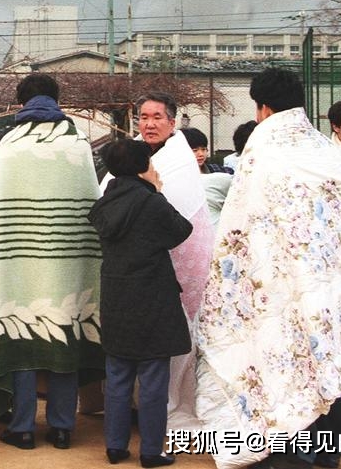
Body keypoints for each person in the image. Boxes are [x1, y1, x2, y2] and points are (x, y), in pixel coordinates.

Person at [195, 68, 341, 469]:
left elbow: (242, 225)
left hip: (281, 284)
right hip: (331, 281)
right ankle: (328, 453)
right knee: (331, 356)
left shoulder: (261, 153)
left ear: (261, 107)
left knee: (283, 358)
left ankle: (290, 451)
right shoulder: (324, 150)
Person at [0, 74, 105, 451]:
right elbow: (90, 202)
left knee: (20, 340)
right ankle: (63, 428)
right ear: (57, 100)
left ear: (20, 102)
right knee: (63, 333)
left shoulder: (11, 143)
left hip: (16, 263)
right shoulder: (76, 143)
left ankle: (23, 428)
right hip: (68, 263)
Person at [102, 92, 214, 432]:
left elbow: (182, 213)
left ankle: (145, 421)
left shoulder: (179, 159)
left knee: (168, 346)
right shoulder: (132, 155)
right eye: (144, 117)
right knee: (149, 354)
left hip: (164, 271)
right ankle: (147, 428)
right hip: (140, 273)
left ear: (172, 121)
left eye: (156, 117)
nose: (149, 124)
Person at [90, 140, 192, 468]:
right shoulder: (150, 202)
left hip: (117, 296)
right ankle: (151, 450)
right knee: (152, 378)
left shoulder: (106, 203)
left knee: (118, 375)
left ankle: (116, 446)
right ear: (140, 167)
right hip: (152, 298)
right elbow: (181, 230)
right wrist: (157, 191)